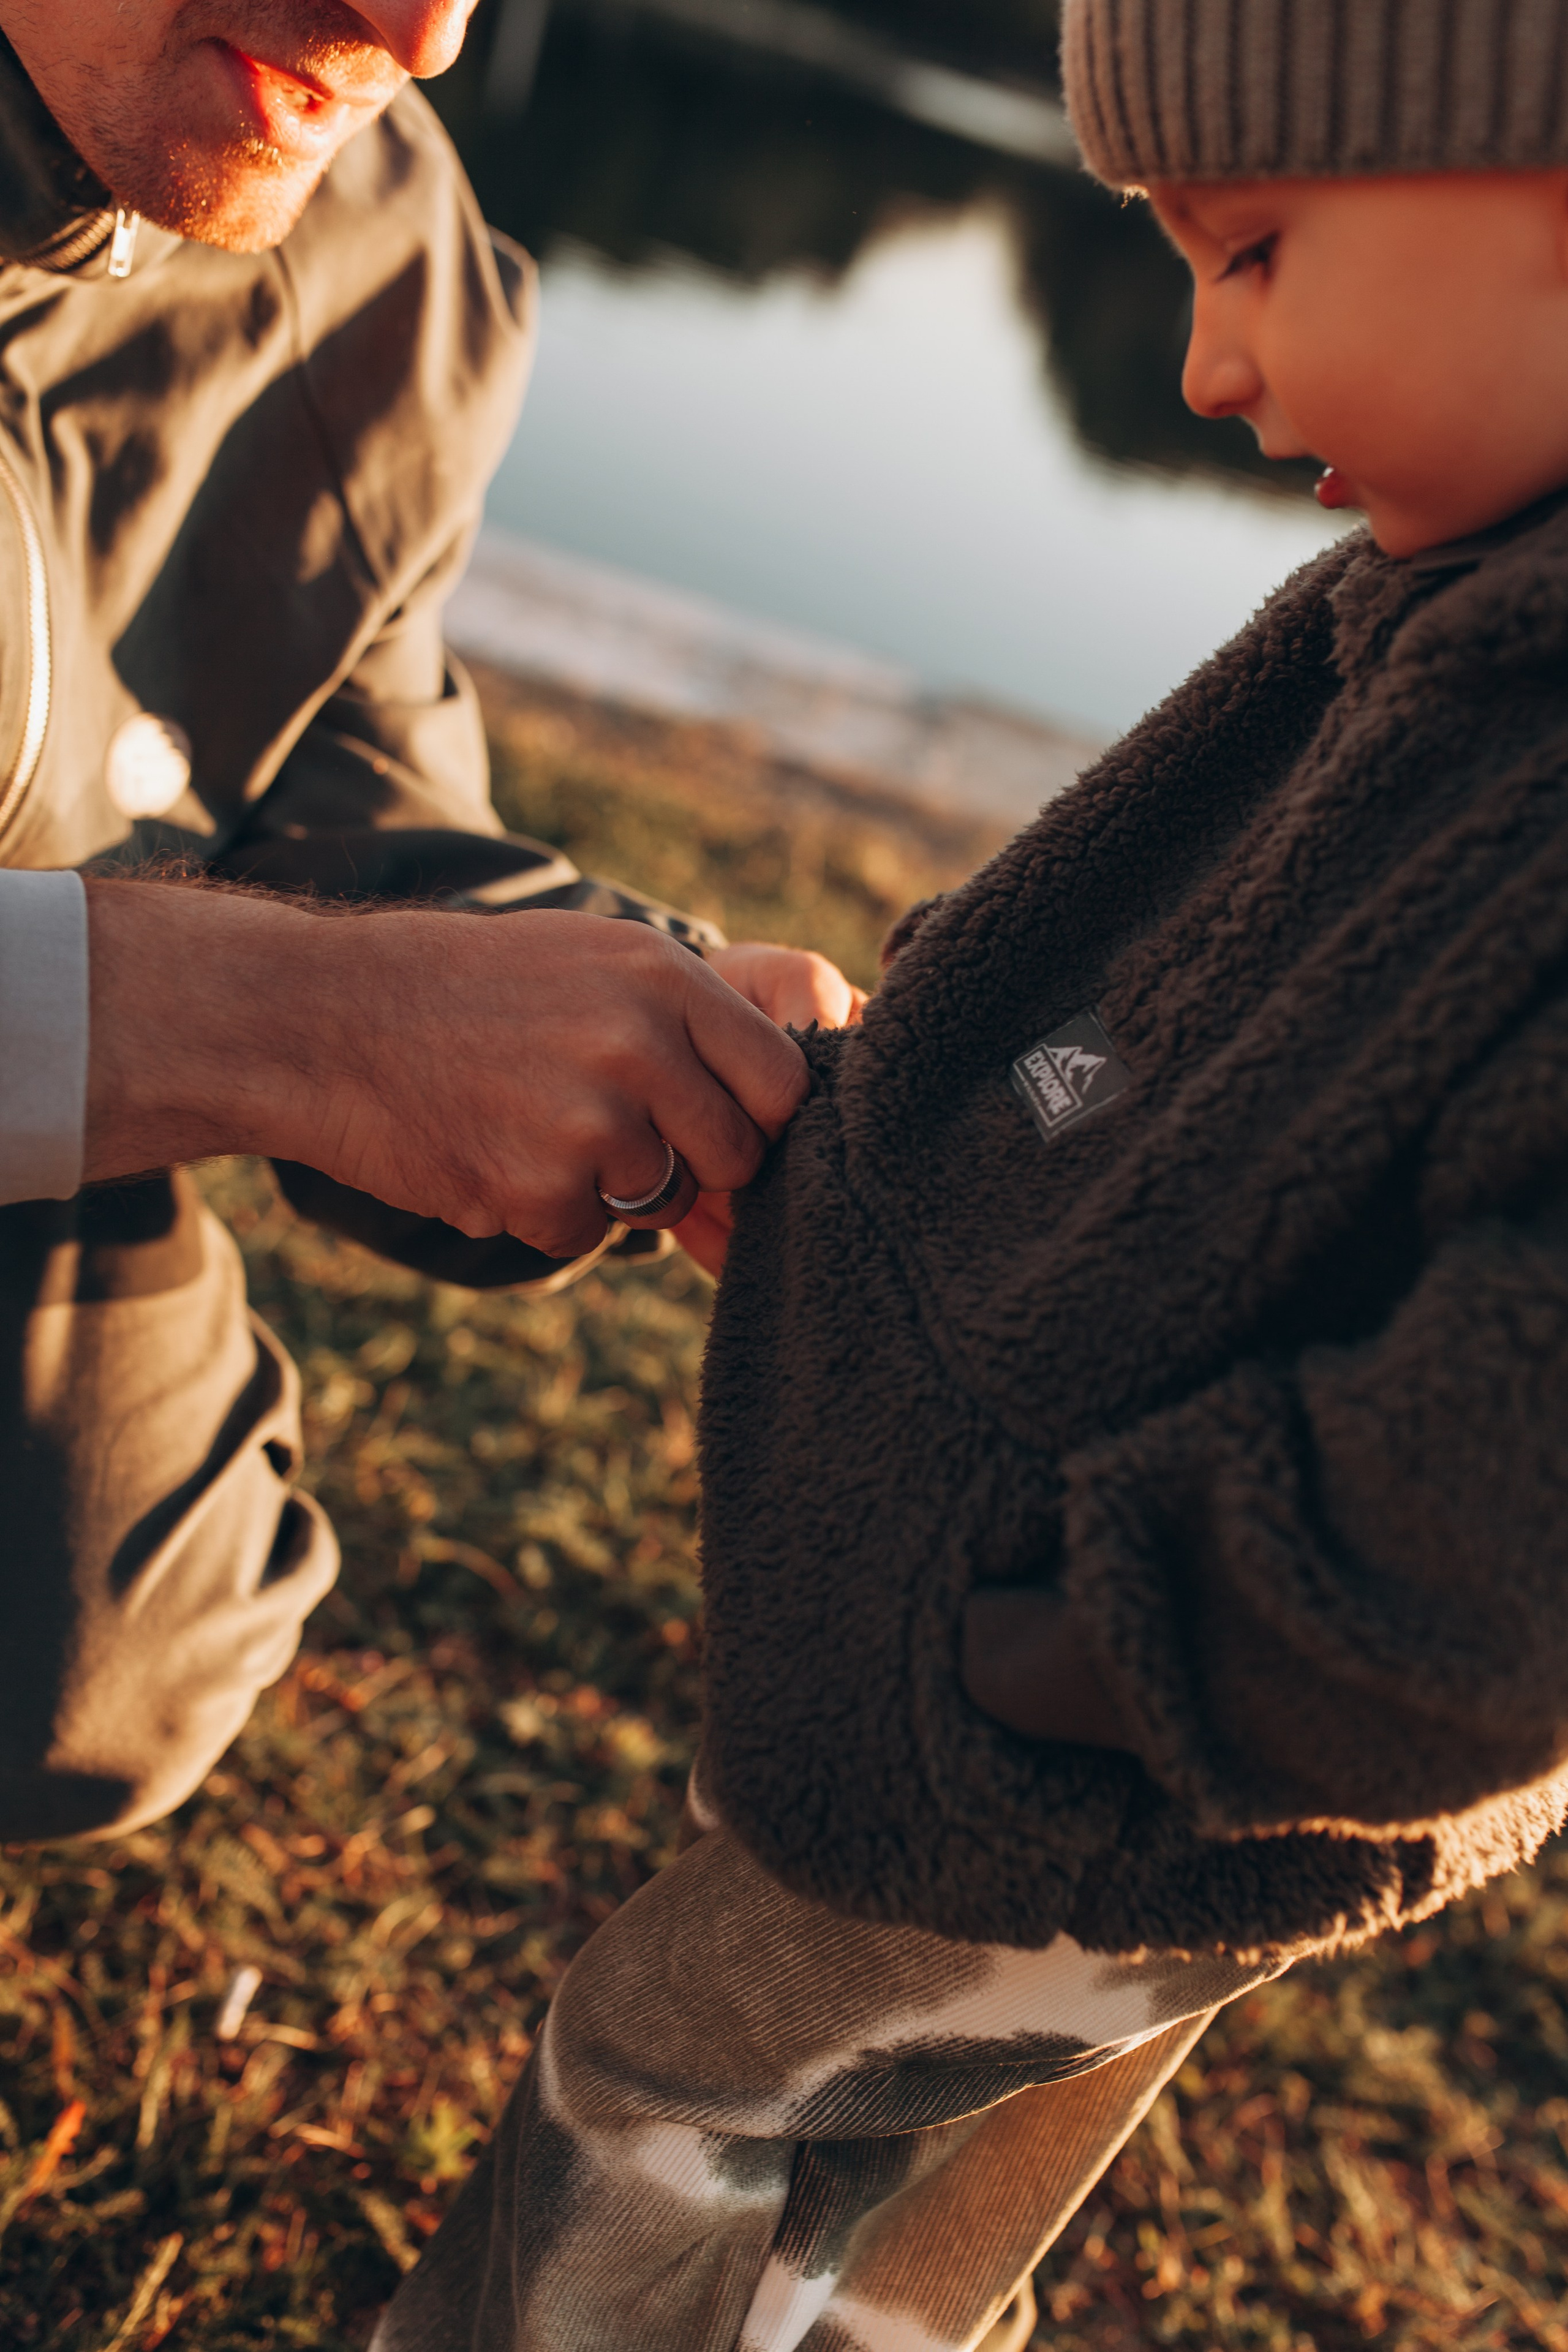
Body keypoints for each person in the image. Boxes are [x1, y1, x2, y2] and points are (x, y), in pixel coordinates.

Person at [374, 4, 1568, 2348]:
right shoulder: (1448, 606)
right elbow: (1180, 1024)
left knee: (667, 2092)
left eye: (1254, 252)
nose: (1209, 364)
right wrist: (887, 1136)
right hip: (1086, 1728)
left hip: (1108, 1726)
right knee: (904, 2211)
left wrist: (1104, 1637)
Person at [0, 0, 858, 1845]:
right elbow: (324, 998)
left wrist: (647, 1001)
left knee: (97, 1628)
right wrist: (294, 1022)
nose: (427, 29)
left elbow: (364, 799)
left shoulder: (391, 252)